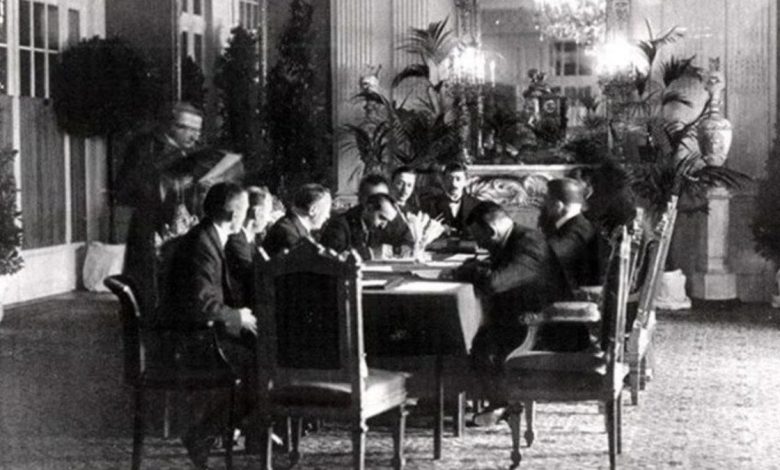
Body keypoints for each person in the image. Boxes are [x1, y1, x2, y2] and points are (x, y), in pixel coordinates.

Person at [158, 182, 258, 470]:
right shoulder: (202, 244)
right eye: (245, 211)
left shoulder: (207, 236)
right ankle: (204, 434)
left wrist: (238, 315)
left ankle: (230, 432)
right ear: (233, 215)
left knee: (259, 352)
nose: (247, 216)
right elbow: (202, 305)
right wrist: (238, 316)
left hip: (195, 334)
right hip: (190, 341)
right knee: (260, 367)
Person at [452, 201, 568, 426]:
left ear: (491, 231)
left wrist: (470, 270)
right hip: (527, 314)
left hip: (544, 326)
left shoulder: (529, 244)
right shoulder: (517, 237)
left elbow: (495, 283)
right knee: (475, 333)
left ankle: (501, 405)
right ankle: (468, 399)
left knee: (482, 342)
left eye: (479, 238)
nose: (479, 244)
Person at [116, 102, 204, 318]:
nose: (195, 137)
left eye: (198, 131)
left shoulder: (192, 153)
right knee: (149, 297)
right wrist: (164, 184)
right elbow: (122, 191)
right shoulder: (144, 147)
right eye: (188, 129)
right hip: (150, 229)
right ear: (172, 126)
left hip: (183, 230)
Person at [225, 186, 274, 308]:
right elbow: (253, 277)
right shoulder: (236, 240)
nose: (269, 219)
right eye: (268, 213)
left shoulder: (250, 239)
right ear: (256, 213)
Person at [320, 193, 402, 260]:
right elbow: (333, 257)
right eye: (382, 218)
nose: (383, 226)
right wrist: (371, 253)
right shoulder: (339, 226)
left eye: (387, 221)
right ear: (368, 208)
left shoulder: (375, 226)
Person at [262, 183, 332, 257]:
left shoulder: (288, 225)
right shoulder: (293, 237)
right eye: (326, 211)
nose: (328, 216)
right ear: (312, 210)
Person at [421, 162, 480, 236]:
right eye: (449, 179)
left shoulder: (476, 205)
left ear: (466, 181)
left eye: (458, 179)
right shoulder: (429, 204)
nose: (454, 183)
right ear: (443, 181)